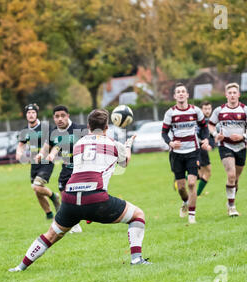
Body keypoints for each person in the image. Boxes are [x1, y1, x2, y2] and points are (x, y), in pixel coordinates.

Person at [9, 109, 149, 272]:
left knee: (51, 234)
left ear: (88, 126)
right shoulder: (113, 144)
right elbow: (124, 163)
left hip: (70, 199)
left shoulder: (78, 144)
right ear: (106, 127)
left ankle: (20, 267)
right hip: (96, 199)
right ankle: (137, 259)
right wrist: (127, 146)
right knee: (138, 215)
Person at [161, 83, 210, 224]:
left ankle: (192, 216)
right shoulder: (170, 113)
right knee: (181, 187)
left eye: (183, 91)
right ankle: (185, 202)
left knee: (192, 183)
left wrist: (205, 139)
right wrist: (170, 143)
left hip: (193, 152)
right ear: (175, 96)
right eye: (178, 92)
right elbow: (164, 133)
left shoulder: (196, 111)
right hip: (176, 154)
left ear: (187, 95)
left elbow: (204, 127)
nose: (181, 94)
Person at [208, 83, 247, 217]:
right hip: (225, 146)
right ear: (226, 95)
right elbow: (211, 125)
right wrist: (215, 135)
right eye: (230, 93)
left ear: (239, 95)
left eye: (235, 93)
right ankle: (232, 207)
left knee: (235, 180)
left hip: (241, 146)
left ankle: (231, 200)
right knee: (231, 175)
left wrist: (243, 136)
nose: (232, 95)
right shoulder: (219, 110)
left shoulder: (246, 110)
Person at [37, 105, 87, 233]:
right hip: (66, 168)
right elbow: (45, 148)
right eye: (57, 116)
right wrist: (40, 155)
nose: (60, 119)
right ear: (53, 118)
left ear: (68, 116)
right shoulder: (53, 133)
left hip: (82, 168)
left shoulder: (80, 129)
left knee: (79, 195)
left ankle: (85, 215)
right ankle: (75, 223)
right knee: (65, 196)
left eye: (62, 116)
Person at [16, 103, 61, 219]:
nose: (31, 115)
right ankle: (49, 214)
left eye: (33, 113)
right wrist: (19, 153)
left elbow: (53, 143)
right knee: (38, 192)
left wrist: (43, 153)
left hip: (46, 162)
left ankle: (53, 197)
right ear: (26, 115)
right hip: (34, 163)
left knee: (36, 186)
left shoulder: (45, 127)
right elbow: (21, 144)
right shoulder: (25, 131)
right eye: (29, 113)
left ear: (37, 114)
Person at [196, 101, 216, 196]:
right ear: (201, 109)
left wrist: (211, 144)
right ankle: (181, 178)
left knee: (201, 173)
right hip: (200, 148)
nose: (207, 111)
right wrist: (206, 144)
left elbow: (211, 135)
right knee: (207, 172)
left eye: (209, 108)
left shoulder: (209, 120)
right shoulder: (200, 121)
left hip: (202, 148)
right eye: (205, 109)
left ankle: (180, 178)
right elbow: (197, 135)